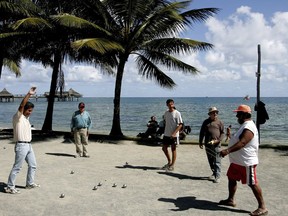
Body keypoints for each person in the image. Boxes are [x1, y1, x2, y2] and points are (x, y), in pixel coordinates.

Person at [219, 105, 268, 216]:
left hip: (246, 162)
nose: (237, 116)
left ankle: (262, 207)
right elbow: (238, 140)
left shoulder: (249, 127)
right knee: (231, 178)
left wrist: (227, 151)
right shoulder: (244, 125)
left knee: (252, 183)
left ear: (245, 114)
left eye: (239, 114)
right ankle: (230, 200)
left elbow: (242, 143)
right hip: (237, 161)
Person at [5, 87, 40, 194]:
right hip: (21, 145)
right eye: (29, 110)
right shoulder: (18, 117)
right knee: (17, 167)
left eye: (31, 111)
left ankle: (29, 183)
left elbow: (25, 110)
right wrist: (29, 94)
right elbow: (22, 105)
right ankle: (10, 187)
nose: (30, 112)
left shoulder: (25, 119)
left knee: (33, 165)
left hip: (28, 145)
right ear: (23, 110)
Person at [199, 107, 225, 183]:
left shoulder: (220, 122)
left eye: (216, 112)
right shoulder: (205, 122)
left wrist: (218, 140)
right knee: (210, 160)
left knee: (217, 159)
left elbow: (223, 133)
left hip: (217, 144)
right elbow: (202, 132)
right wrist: (200, 141)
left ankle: (218, 176)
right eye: (213, 112)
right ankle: (214, 173)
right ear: (210, 114)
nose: (215, 114)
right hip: (208, 144)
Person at [161, 99, 183, 171]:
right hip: (166, 134)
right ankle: (169, 162)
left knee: (173, 149)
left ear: (173, 104)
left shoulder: (177, 113)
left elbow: (180, 125)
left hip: (174, 135)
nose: (170, 105)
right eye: (169, 104)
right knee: (164, 148)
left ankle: (172, 165)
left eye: (172, 104)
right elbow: (165, 122)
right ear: (167, 105)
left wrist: (174, 133)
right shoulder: (166, 113)